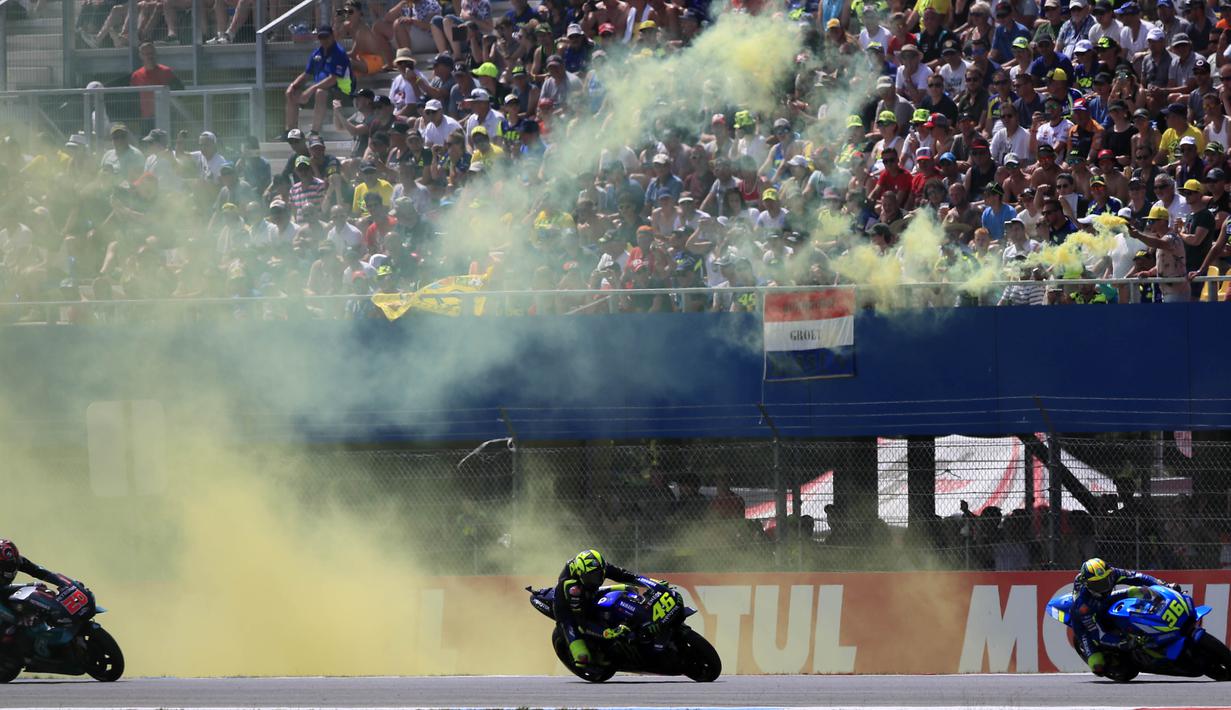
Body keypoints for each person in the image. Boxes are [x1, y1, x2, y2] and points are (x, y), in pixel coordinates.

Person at [552, 549, 670, 667]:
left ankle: (640, 618)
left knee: (629, 589)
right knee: (582, 657)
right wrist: (607, 633)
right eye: (592, 577)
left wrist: (653, 583)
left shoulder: (598, 566)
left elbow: (625, 575)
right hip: (567, 609)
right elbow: (581, 622)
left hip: (590, 592)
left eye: (599, 575)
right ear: (580, 574)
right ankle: (581, 650)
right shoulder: (572, 588)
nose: (597, 580)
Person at [1069, 558, 1176, 676]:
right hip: (1084, 623)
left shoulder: (1113, 572)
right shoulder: (1082, 605)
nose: (1104, 586)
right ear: (1087, 584)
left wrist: (1164, 585)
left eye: (1106, 580)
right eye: (1098, 584)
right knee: (1098, 665)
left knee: (1138, 591)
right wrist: (1120, 642)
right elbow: (1097, 633)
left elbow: (1138, 577)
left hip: (1104, 601)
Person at [0, 539, 75, 655]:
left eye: (10, 565)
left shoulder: (16, 560)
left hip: (3, 590)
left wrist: (65, 584)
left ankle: (44, 631)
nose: (8, 569)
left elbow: (40, 572)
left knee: (37, 589)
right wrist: (16, 619)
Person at [284, 25, 354, 136]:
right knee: (292, 93)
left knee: (320, 92)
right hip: (320, 91)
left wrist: (311, 89)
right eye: (321, 37)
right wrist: (293, 85)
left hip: (341, 93)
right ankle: (290, 132)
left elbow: (333, 79)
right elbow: (306, 74)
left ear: (332, 36)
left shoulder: (339, 53)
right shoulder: (316, 53)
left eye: (326, 37)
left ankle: (314, 132)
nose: (324, 40)